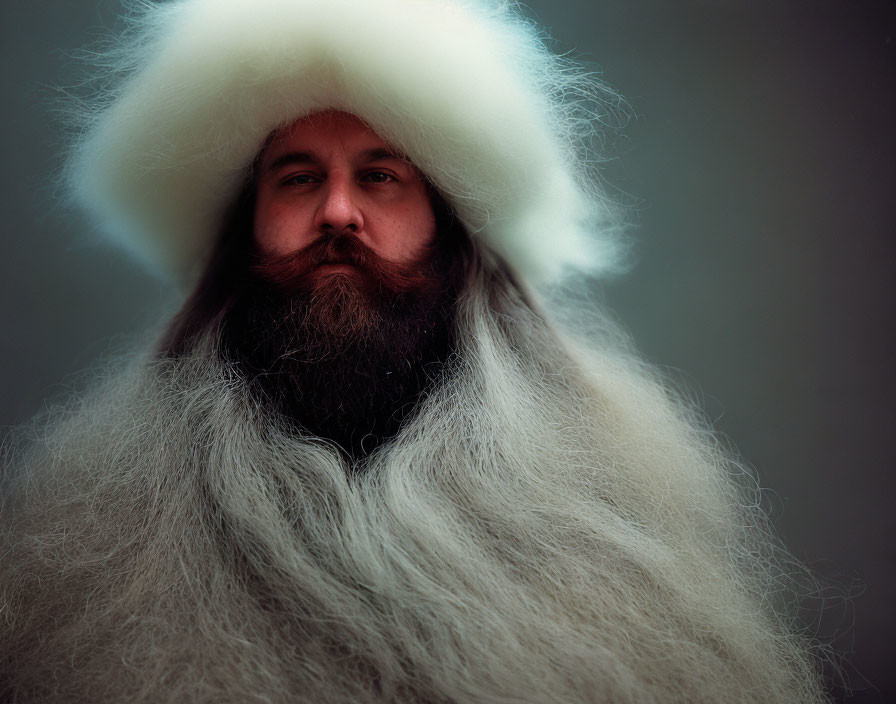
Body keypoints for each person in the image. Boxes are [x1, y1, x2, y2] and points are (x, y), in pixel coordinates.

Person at [1, 0, 829, 702]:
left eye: (380, 176)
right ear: (237, 233)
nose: (336, 212)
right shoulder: (88, 523)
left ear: (450, 228)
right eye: (296, 177)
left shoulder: (629, 493)